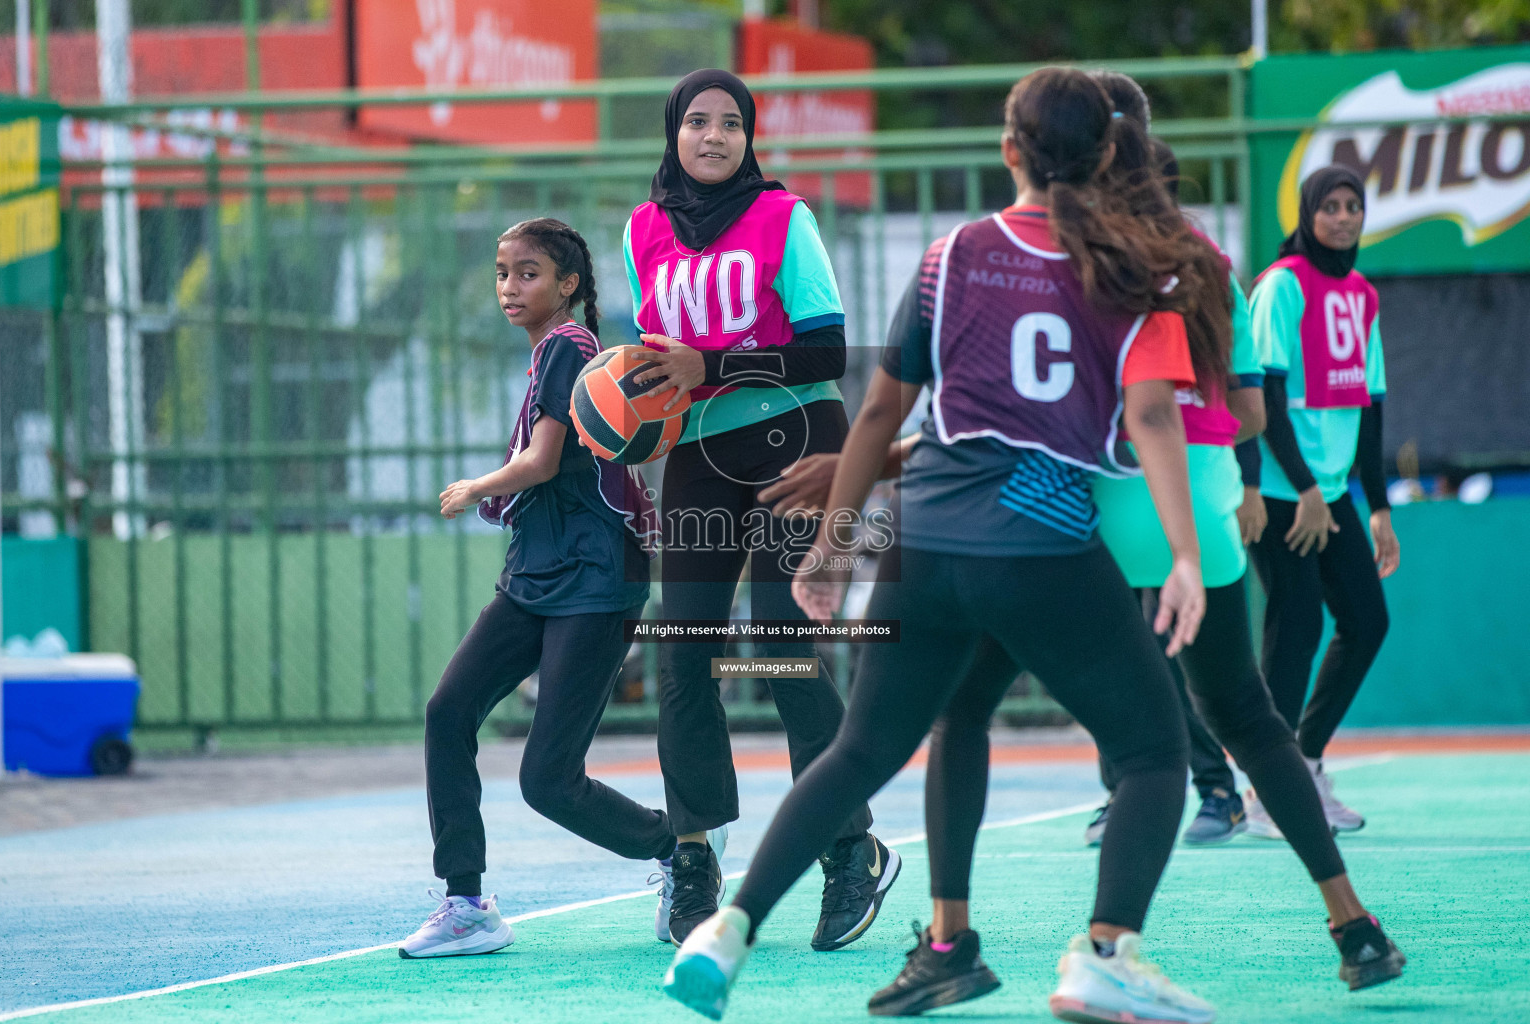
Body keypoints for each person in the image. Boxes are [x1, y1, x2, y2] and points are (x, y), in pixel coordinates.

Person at [666, 67, 1217, 1024]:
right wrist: (1185, 558)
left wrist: (836, 543)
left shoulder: (950, 256)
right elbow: (1155, 416)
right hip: (1041, 542)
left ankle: (732, 928)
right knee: (1153, 750)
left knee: (862, 748)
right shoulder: (1125, 263)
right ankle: (1108, 956)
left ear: (1008, 151)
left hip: (925, 537)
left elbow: (879, 409)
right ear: (1105, 155)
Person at [622, 68, 898, 950]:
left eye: (730, 124)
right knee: (684, 651)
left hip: (799, 444)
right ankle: (694, 853)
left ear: (750, 137)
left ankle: (849, 846)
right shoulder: (642, 229)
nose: (712, 136)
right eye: (697, 122)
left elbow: (828, 348)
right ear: (672, 132)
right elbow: (661, 362)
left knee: (783, 645)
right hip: (699, 455)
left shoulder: (786, 218)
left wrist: (716, 366)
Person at [398, 218, 671, 958]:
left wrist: (474, 487)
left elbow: (543, 462)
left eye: (528, 274)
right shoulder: (549, 356)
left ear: (568, 285)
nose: (510, 287)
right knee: (448, 712)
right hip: (536, 572)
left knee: (548, 779)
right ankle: (465, 903)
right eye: (502, 273)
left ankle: (678, 851)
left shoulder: (570, 348)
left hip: (596, 578)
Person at [1085, 72, 1246, 846]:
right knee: (1151, 658)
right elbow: (1241, 406)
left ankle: (1209, 786)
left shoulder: (1162, 263)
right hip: (1148, 480)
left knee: (1152, 656)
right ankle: (1176, 788)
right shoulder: (1188, 259)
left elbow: (1226, 404)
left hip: (1152, 482)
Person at [1245, 166, 1399, 835]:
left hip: (1330, 494)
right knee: (1297, 626)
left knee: (1367, 622)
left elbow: (1372, 408)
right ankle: (1266, 794)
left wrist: (1379, 507)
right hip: (1280, 490)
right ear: (1308, 214)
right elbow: (1263, 395)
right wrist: (1304, 488)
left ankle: (1301, 762)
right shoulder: (1282, 286)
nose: (1341, 217)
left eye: (1352, 206)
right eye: (1329, 206)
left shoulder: (1362, 294)